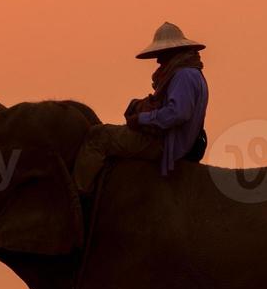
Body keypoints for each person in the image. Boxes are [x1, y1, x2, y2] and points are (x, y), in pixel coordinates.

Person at [73, 22, 209, 195]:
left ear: (171, 52)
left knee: (99, 136)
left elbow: (178, 113)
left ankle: (80, 195)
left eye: (161, 54)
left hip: (166, 144)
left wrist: (142, 118)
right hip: (175, 141)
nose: (158, 60)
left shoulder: (184, 75)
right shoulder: (191, 73)